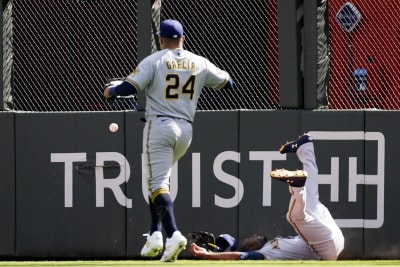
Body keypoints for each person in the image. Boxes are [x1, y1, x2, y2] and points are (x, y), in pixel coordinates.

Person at [103, 19, 233, 262]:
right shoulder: (199, 61)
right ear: (183, 38)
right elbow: (228, 82)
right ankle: (155, 235)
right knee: (158, 183)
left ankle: (173, 234)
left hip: (160, 125)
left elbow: (127, 88)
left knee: (156, 184)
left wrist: (110, 90)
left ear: (161, 39)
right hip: (185, 130)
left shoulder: (155, 60)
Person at [189, 133, 345, 260]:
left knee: (311, 196)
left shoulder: (275, 244)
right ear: (252, 247)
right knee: (294, 217)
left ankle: (305, 149)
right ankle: (297, 186)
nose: (254, 235)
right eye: (251, 238)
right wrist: (209, 255)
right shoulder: (266, 252)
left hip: (324, 242)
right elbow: (241, 256)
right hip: (326, 249)